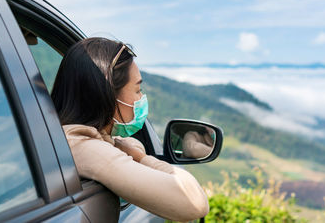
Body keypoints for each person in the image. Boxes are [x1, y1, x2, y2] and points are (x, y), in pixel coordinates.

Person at [51, 37, 209, 222]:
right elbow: (195, 202)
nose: (142, 98)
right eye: (137, 90)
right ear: (107, 95)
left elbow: (124, 146)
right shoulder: (86, 149)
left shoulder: (67, 137)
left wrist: (127, 148)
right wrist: (141, 158)